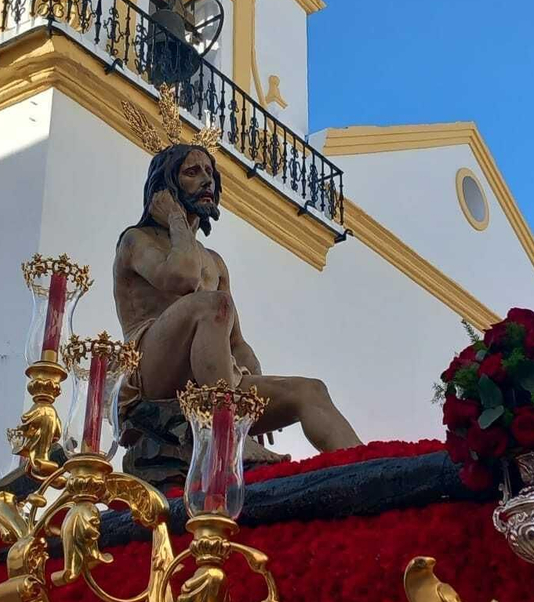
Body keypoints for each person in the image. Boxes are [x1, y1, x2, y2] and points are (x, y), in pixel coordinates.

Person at [113, 142, 361, 453]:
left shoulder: (215, 262)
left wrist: (253, 396)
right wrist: (175, 218)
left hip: (216, 378)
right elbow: (182, 277)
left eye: (209, 173)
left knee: (310, 391)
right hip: (152, 372)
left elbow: (236, 343)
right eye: (192, 172)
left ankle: (368, 466)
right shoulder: (136, 240)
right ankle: (226, 433)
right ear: (165, 188)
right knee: (214, 305)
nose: (207, 180)